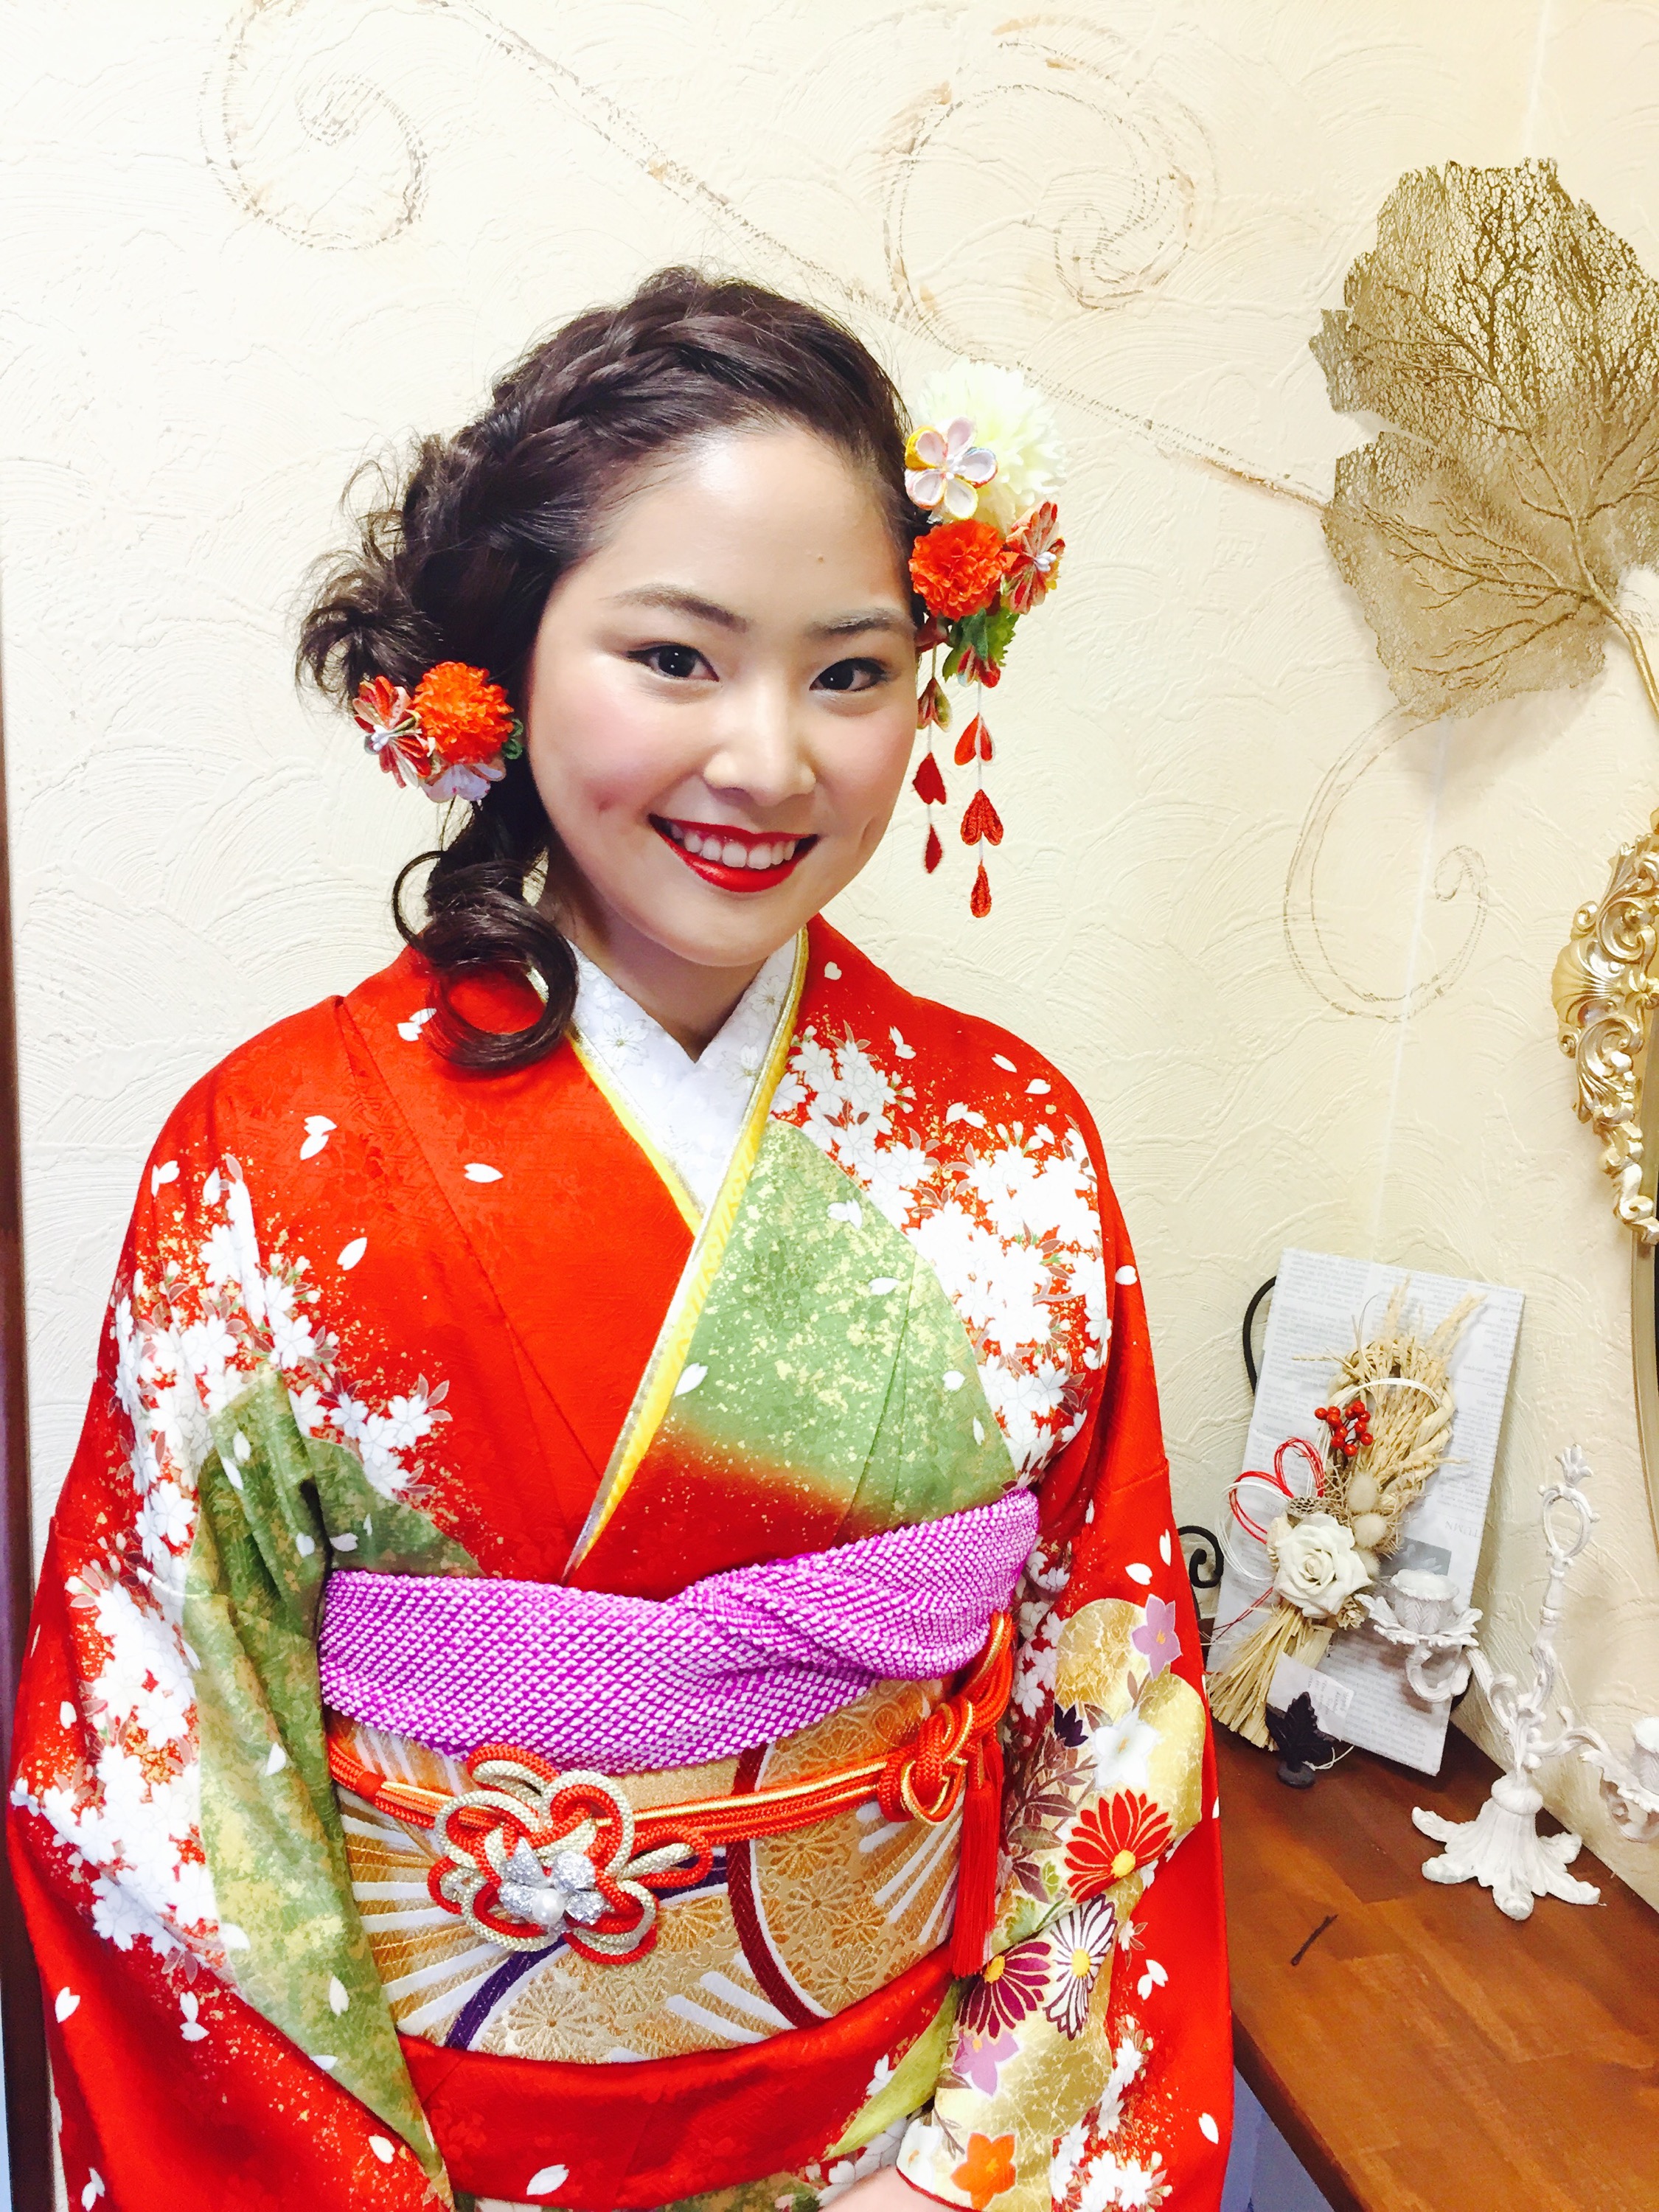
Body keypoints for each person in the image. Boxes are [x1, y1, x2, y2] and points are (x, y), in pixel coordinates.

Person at [8, 268, 1230, 2212]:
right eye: (675, 657)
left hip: (908, 2155)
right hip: (432, 2162)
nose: (769, 759)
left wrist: (971, 2173)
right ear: (504, 658)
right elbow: (159, 1772)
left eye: (851, 672)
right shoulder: (273, 1161)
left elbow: (1110, 1708)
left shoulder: (1013, 1152)